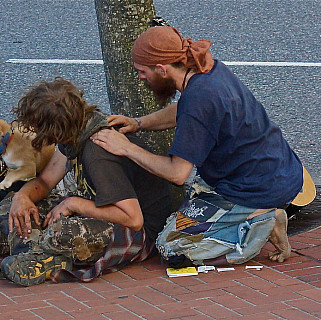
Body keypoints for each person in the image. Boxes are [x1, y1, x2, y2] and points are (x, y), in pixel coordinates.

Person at [90, 26, 303, 267]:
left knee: (171, 248)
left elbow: (177, 173)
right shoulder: (207, 71)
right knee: (191, 206)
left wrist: (126, 148)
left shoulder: (199, 100)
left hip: (256, 187)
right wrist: (139, 124)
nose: (140, 78)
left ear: (161, 69)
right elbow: (185, 111)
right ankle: (253, 215)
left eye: (142, 71)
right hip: (276, 169)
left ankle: (261, 223)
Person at [0, 77, 172, 286]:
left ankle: (38, 255)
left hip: (138, 233)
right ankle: (37, 255)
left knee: (61, 233)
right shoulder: (75, 131)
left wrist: (75, 204)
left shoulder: (98, 153)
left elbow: (134, 219)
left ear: (54, 130)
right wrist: (22, 197)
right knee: (11, 207)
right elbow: (45, 181)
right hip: (99, 208)